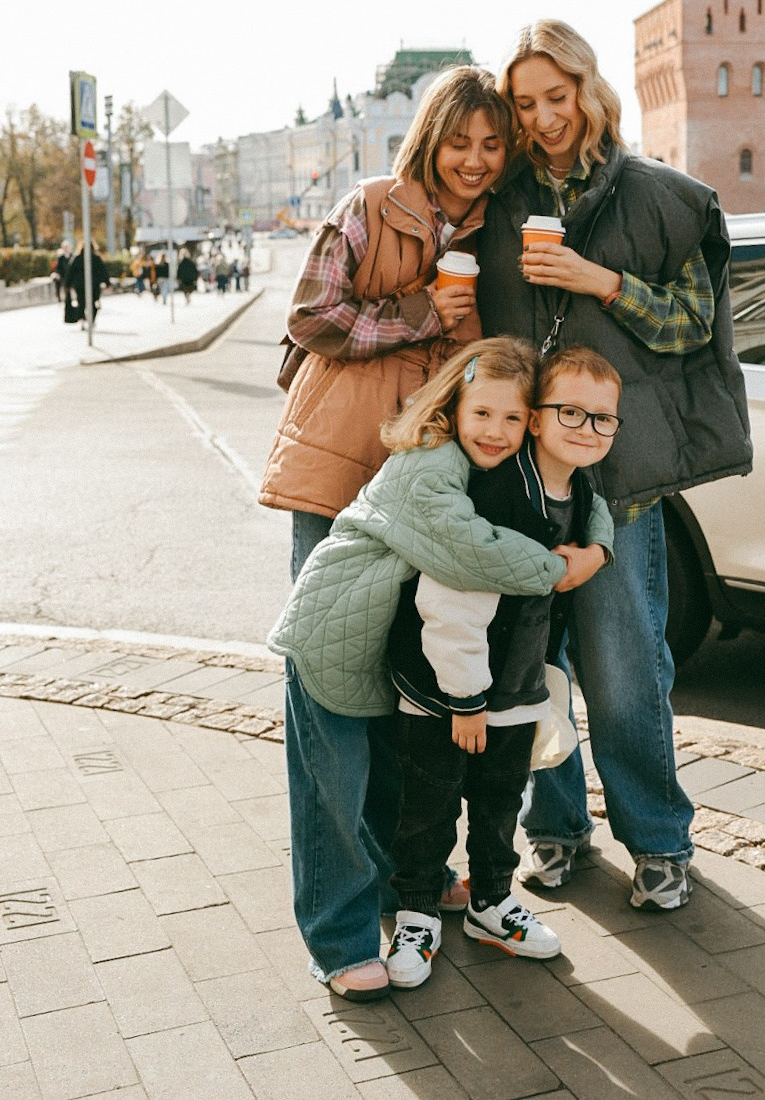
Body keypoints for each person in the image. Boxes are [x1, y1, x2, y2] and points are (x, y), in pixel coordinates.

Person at [476, 19, 753, 912]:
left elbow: (691, 327)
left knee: (624, 665)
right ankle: (554, 832)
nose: (544, 118)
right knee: (527, 663)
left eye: (556, 96)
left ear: (590, 90)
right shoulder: (500, 203)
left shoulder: (661, 197)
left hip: (617, 477)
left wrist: (599, 282)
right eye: (525, 104)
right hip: (521, 475)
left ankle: (660, 840)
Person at [259, 65, 516, 997]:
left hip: (424, 495)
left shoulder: (495, 238)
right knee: (328, 697)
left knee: (402, 697)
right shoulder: (370, 206)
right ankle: (337, 931)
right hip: (339, 485)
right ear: (428, 139)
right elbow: (310, 318)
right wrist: (418, 315)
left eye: (492, 146)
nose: (475, 163)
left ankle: (397, 880)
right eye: (460, 142)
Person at [268, 338, 593, 999]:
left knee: (390, 783)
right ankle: (339, 944)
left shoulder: (498, 462)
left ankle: (404, 886)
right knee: (333, 796)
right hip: (334, 639)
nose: (497, 433)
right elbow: (469, 552)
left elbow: (586, 498)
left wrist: (603, 548)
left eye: (513, 418)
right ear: (453, 404)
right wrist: (565, 569)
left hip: (389, 651)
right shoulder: (429, 463)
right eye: (484, 413)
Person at [383, 345, 620, 990]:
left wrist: (599, 547)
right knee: (429, 806)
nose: (586, 429)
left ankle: (491, 902)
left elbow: (590, 520)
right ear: (541, 421)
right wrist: (464, 700)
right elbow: (450, 599)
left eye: (603, 420)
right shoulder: (493, 493)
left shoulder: (578, 488)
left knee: (498, 803)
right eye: (570, 413)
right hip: (445, 689)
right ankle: (417, 912)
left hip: (515, 685)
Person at [64, 240, 109, 327]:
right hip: (93, 285)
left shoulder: (77, 258)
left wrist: (67, 284)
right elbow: (103, 271)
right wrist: (107, 282)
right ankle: (90, 320)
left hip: (81, 285)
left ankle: (82, 319)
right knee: (92, 302)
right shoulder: (96, 258)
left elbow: (70, 272)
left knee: (82, 302)